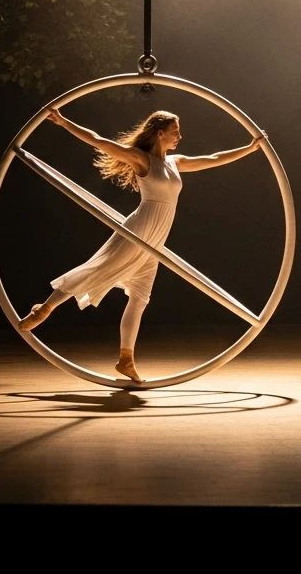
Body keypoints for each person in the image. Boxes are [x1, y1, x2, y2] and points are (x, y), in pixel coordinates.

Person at [17, 107, 265, 383]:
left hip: (156, 239)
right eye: (175, 132)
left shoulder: (174, 162)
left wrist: (250, 149)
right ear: (160, 134)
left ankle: (126, 359)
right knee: (101, 268)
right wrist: (64, 122)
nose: (180, 136)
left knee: (140, 296)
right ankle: (44, 308)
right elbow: (98, 141)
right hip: (139, 229)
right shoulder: (141, 159)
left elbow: (214, 158)